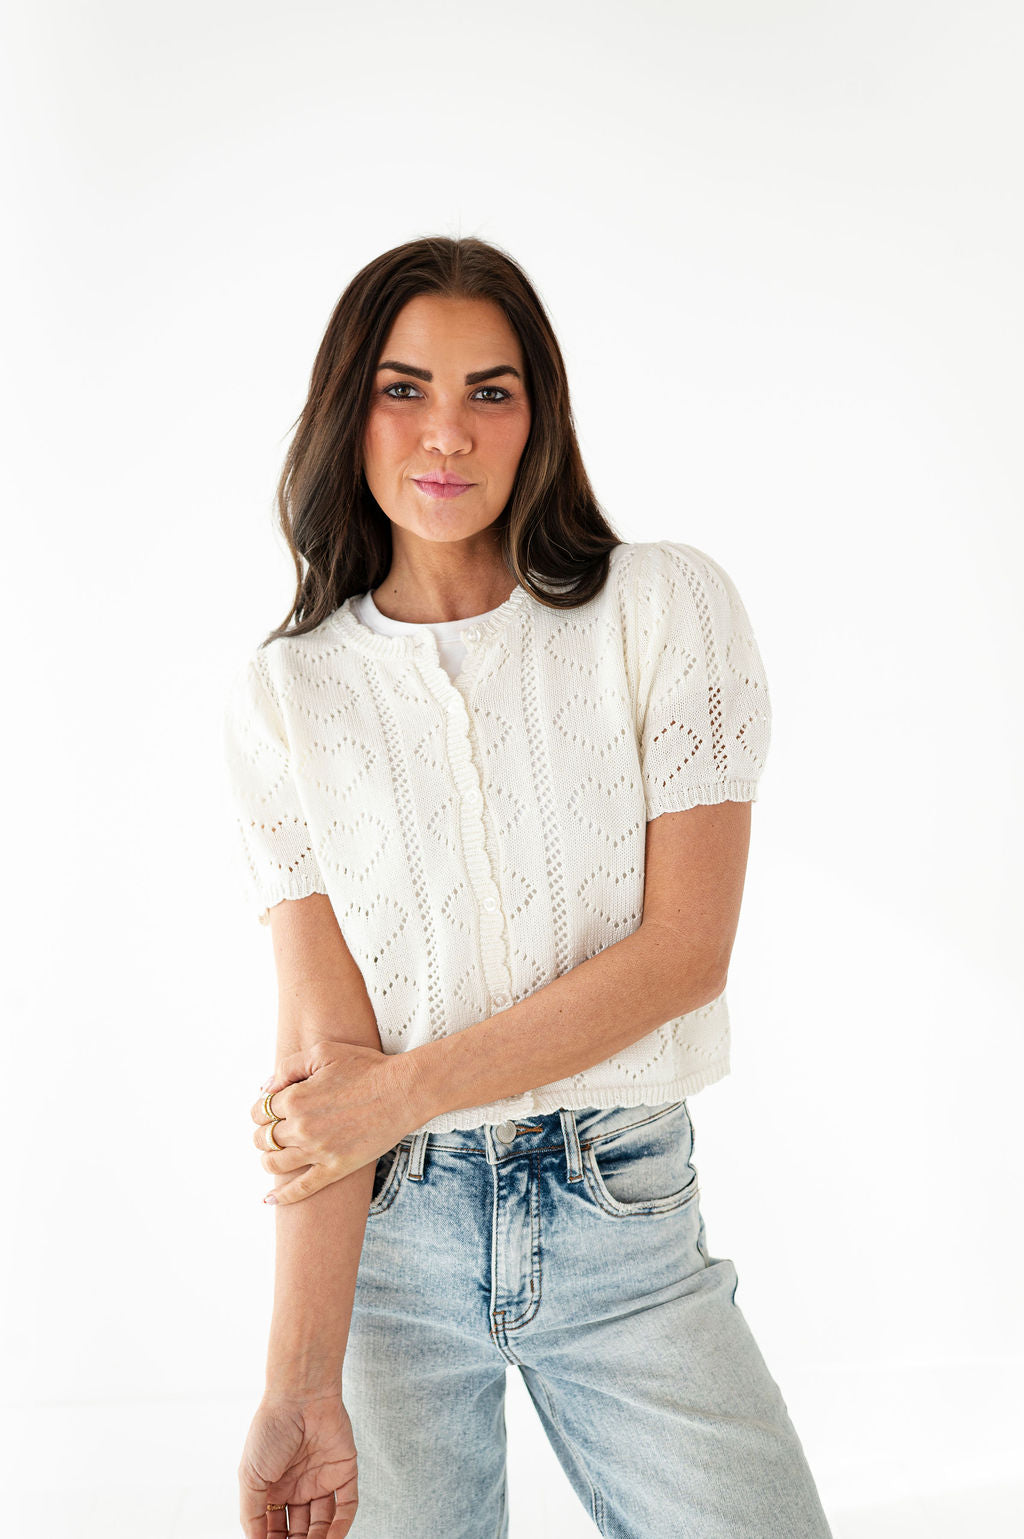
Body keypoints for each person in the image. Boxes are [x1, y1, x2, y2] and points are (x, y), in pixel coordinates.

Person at [223, 234, 834, 1539]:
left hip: (620, 1217)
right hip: (393, 1248)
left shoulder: (660, 607)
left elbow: (685, 952)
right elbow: (327, 1075)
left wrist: (401, 1093)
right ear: (347, 411)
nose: (447, 432)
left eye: (489, 392)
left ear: (537, 415)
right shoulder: (290, 694)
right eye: (404, 388)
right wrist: (298, 1389)